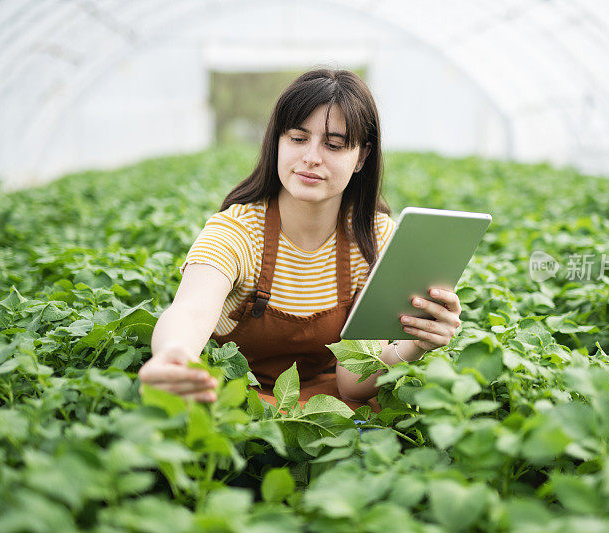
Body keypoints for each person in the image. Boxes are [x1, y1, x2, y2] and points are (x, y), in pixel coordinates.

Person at [137, 69, 462, 410]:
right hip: (236, 405)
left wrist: (416, 344)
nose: (311, 157)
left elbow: (352, 384)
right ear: (277, 141)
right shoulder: (236, 231)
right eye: (297, 138)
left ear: (362, 157)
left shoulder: (375, 238)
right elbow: (191, 309)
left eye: (334, 144)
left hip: (327, 412)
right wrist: (175, 354)